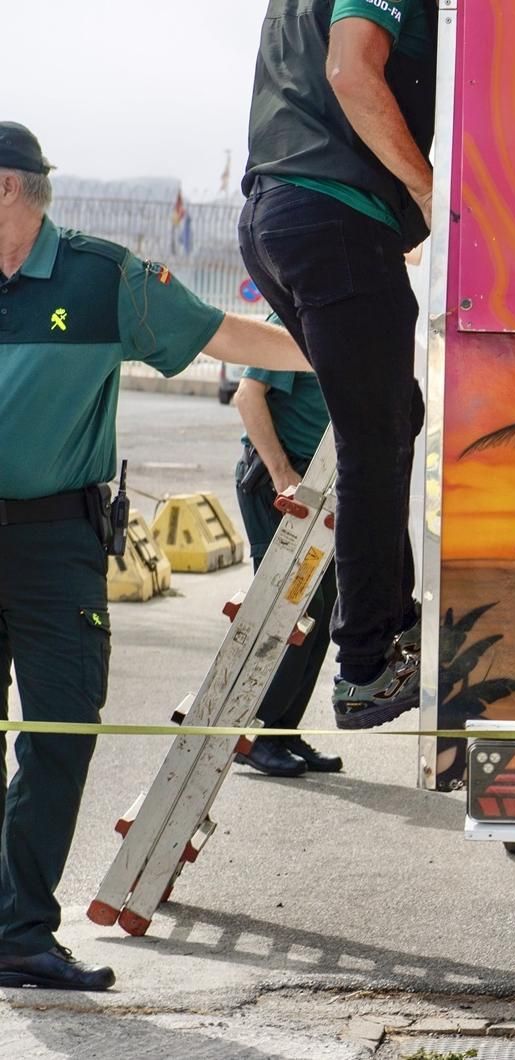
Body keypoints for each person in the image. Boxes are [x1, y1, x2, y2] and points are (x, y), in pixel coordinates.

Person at [0, 122, 313, 991]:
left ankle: (20, 931)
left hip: (56, 543)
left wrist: (344, 356)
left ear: (7, 188)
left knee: (58, 737)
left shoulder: (102, 278)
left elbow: (222, 334)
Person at [238, 0, 434, 730]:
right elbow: (352, 71)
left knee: (390, 415)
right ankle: (366, 664)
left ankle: (390, 618)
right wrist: (426, 189)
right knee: (374, 437)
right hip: (335, 216)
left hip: (278, 215)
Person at [231, 319, 344, 778]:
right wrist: (281, 476)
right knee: (292, 607)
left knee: (322, 610)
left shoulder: (350, 322)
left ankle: (281, 731)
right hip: (278, 483)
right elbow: (247, 396)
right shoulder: (293, 320)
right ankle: (252, 735)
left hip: (319, 487)